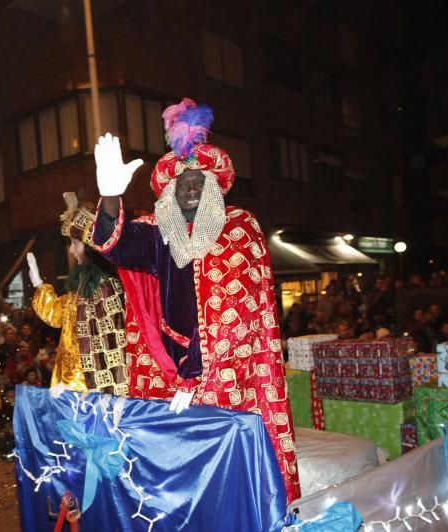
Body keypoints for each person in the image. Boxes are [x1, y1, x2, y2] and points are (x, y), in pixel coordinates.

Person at [88, 99, 299, 501]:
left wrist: (198, 375)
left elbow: (237, 319)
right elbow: (115, 245)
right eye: (180, 181)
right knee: (172, 476)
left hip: (226, 375)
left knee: (224, 479)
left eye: (198, 180)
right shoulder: (156, 231)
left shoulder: (240, 228)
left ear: (214, 187)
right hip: (167, 372)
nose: (188, 186)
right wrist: (111, 197)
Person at [26, 192, 130, 396]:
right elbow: (58, 316)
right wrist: (39, 284)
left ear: (90, 248)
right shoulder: (81, 285)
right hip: (68, 385)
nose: (72, 251)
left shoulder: (104, 287)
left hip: (87, 392)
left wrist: (75, 383)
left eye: (75, 244)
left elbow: (106, 348)